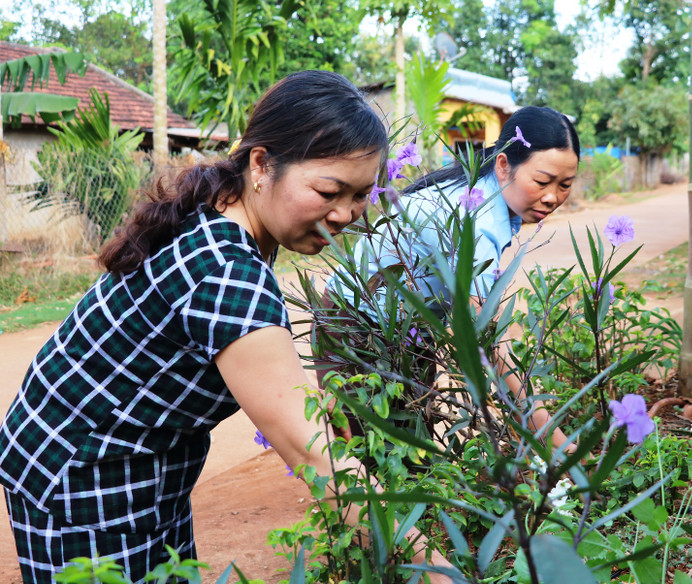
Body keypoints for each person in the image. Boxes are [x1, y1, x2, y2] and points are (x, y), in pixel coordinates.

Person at [0, 70, 449, 584]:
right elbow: (313, 453)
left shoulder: (225, 220)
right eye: (329, 189)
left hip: (144, 461)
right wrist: (437, 570)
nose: (346, 213)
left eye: (362, 194)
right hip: (83, 473)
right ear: (262, 164)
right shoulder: (225, 269)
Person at [319, 106, 580, 450]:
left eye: (565, 185)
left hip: (408, 330)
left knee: (410, 447)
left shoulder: (478, 192)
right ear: (503, 166)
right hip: (354, 325)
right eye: (543, 181)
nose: (552, 197)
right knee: (371, 452)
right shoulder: (479, 217)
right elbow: (488, 336)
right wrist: (552, 437)